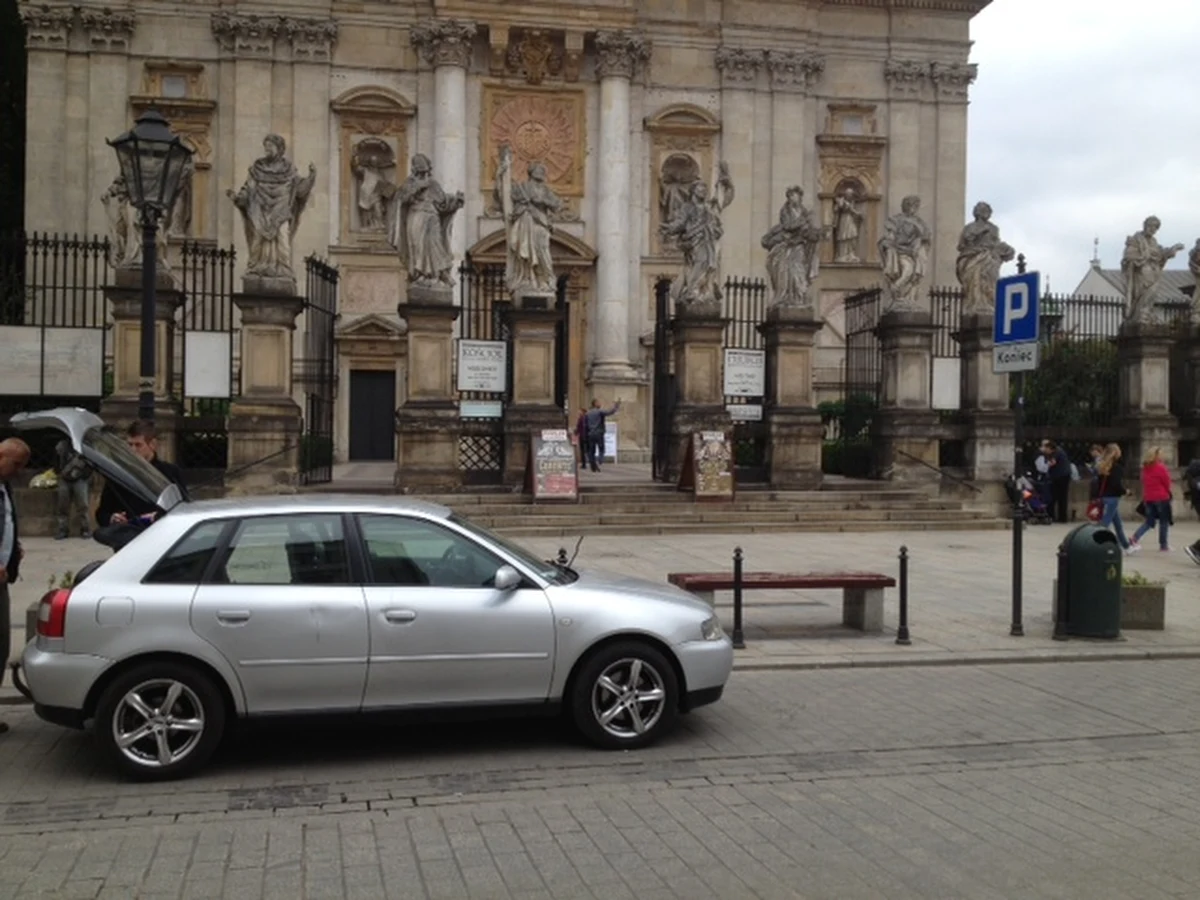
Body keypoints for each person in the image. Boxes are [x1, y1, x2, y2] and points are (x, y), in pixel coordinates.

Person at [95, 420, 189, 550]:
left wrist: (157, 516)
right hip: (127, 543)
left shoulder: (170, 472)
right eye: (130, 445)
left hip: (162, 541)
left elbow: (183, 508)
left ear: (153, 445)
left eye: (138, 445)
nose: (133, 450)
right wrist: (112, 518)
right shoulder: (117, 474)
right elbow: (102, 513)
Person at [0, 437, 32, 736]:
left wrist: (13, 549)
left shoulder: (4, 486)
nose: (19, 471)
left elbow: (6, 523)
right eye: (16, 464)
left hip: (2, 579)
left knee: (1, 645)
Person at [1132, 447, 1172, 553]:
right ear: (1156, 456)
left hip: (1149, 498)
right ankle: (1163, 545)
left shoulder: (1145, 468)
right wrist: (1168, 492)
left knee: (1149, 522)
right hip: (1161, 497)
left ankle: (1135, 537)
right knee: (1164, 522)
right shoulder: (1161, 467)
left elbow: (1144, 482)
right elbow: (1167, 482)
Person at [1095, 443, 1133, 552]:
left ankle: (1126, 546)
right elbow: (1116, 485)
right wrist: (1125, 491)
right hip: (1112, 498)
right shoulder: (1117, 468)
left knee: (1118, 524)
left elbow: (1098, 484)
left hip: (1104, 496)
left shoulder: (1102, 466)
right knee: (1105, 524)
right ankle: (1098, 545)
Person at [53, 438, 93, 540]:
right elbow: (56, 460)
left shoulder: (84, 447)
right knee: (62, 506)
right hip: (64, 478)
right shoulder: (61, 446)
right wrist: (59, 472)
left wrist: (84, 475)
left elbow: (90, 463)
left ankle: (85, 529)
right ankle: (63, 529)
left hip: (80, 479)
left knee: (83, 506)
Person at [583, 399, 621, 473]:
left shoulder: (588, 413)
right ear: (595, 404)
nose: (600, 403)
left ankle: (593, 466)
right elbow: (609, 412)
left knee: (591, 451)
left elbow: (585, 425)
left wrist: (585, 435)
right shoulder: (599, 412)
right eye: (599, 402)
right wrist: (616, 406)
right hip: (599, 433)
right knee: (601, 449)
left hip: (591, 434)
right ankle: (600, 460)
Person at [1042, 440, 1072, 524]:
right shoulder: (1059, 451)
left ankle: (1058, 516)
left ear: (1050, 448)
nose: (1045, 450)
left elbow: (1052, 463)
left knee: (1057, 496)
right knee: (1061, 497)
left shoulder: (1056, 452)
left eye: (1046, 448)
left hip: (1060, 477)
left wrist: (1046, 465)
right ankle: (1061, 517)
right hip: (1062, 475)